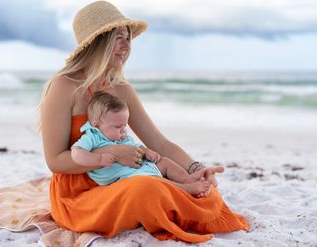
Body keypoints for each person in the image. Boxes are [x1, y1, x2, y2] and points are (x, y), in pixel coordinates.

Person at [39, 0, 249, 243]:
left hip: (126, 179)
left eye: (128, 39)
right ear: (98, 42)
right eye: (118, 38)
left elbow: (160, 144)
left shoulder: (122, 89)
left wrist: (196, 170)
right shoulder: (64, 86)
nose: (126, 47)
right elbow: (55, 161)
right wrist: (114, 154)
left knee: (206, 195)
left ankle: (174, 193)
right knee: (145, 189)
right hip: (80, 194)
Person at [71, 91, 221, 197]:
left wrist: (147, 151)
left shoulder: (121, 136)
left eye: (125, 125)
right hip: (126, 178)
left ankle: (188, 179)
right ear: (96, 125)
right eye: (118, 127)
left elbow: (137, 146)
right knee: (155, 182)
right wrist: (99, 159)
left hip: (140, 168)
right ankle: (186, 188)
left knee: (165, 162)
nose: (123, 130)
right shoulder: (92, 137)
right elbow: (76, 153)